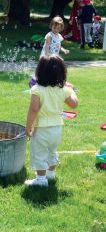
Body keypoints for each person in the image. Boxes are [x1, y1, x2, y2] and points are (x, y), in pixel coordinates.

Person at [25, 55, 78, 187]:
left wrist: (28, 127)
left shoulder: (37, 90)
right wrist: (71, 90)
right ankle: (51, 174)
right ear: (61, 72)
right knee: (51, 151)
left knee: (39, 152)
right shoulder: (63, 90)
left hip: (42, 128)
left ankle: (41, 180)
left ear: (39, 72)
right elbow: (74, 104)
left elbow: (34, 110)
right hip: (57, 128)